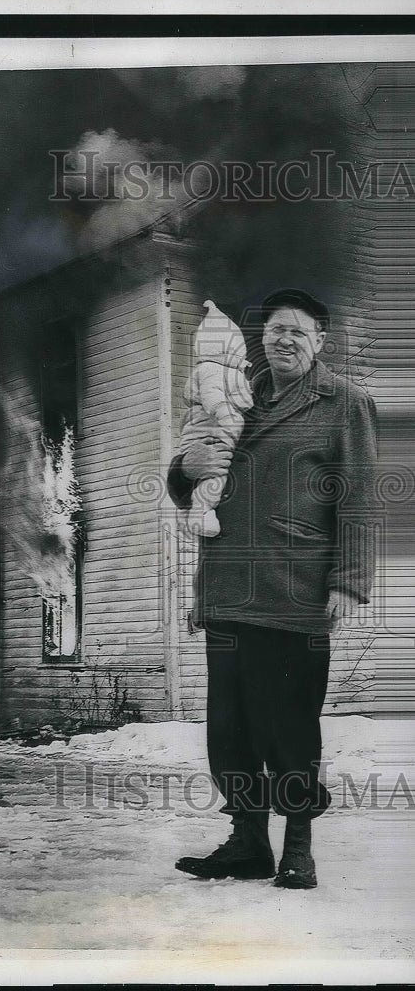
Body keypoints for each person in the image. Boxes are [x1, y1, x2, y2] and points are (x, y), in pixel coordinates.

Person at [167, 288, 379, 889]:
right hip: (230, 587)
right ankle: (247, 841)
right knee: (230, 728)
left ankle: (299, 847)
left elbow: (361, 498)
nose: (284, 339)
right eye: (275, 329)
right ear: (261, 338)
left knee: (286, 725)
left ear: (320, 341)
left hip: (296, 591)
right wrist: (184, 473)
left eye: (298, 331)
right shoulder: (236, 394)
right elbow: (190, 466)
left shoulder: (344, 402)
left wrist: (349, 581)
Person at [178, 299, 253, 537]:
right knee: (215, 475)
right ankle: (201, 512)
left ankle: (195, 512)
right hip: (208, 433)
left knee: (213, 475)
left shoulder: (229, 371)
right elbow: (213, 395)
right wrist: (223, 410)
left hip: (210, 433)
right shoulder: (211, 369)